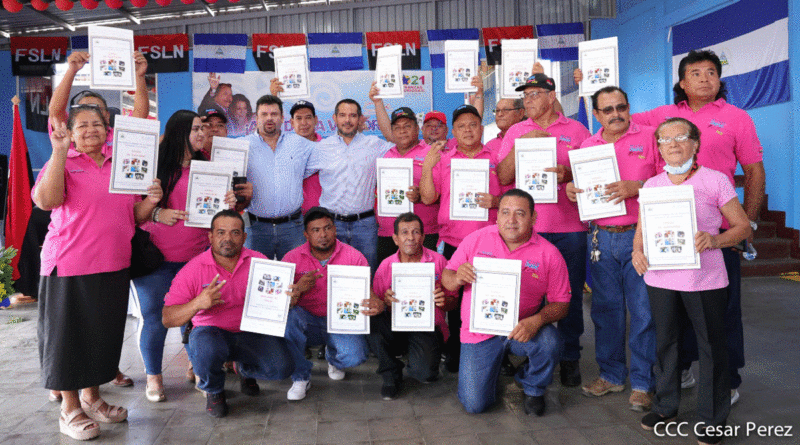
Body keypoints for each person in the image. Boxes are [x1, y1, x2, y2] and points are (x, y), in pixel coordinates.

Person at [630, 50, 765, 405]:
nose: (705, 78)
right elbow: (622, 124)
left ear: (719, 80)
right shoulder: (663, 115)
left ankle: (728, 379)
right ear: (682, 82)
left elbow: (753, 170)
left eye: (711, 72)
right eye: (696, 72)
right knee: (674, 312)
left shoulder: (737, 118)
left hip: (718, 236)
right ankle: (683, 371)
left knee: (722, 315)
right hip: (667, 236)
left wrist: (747, 225)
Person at [33, 105, 163, 440]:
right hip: (69, 265)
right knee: (67, 340)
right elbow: (47, 201)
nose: (91, 130)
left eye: (98, 124)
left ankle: (92, 399)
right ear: (71, 132)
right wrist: (60, 152)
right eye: (83, 125)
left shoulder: (120, 163)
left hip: (113, 263)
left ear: (108, 129)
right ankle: (70, 407)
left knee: (99, 337)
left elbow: (131, 215)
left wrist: (150, 201)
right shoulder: (62, 160)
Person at [634, 118, 751, 445]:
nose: (672, 144)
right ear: (658, 148)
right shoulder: (652, 186)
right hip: (660, 277)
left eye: (680, 138)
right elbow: (642, 230)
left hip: (705, 279)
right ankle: (665, 405)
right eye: (664, 140)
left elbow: (742, 227)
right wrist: (636, 252)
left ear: (695, 143)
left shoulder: (716, 181)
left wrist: (715, 241)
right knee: (666, 342)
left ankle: (713, 419)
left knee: (712, 346)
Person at [130, 110, 238, 403]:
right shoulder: (155, 167)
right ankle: (154, 375)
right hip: (157, 260)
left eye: (203, 128)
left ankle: (197, 365)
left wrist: (230, 202)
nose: (202, 133)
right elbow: (131, 212)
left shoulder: (210, 167)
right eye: (195, 128)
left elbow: (222, 216)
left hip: (198, 258)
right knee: (154, 317)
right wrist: (156, 211)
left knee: (198, 315)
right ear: (179, 132)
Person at [565, 86, 659, 411]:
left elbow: (673, 181)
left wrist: (639, 187)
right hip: (600, 237)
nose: (615, 114)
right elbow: (576, 188)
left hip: (641, 236)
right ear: (596, 115)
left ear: (629, 107)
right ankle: (612, 374)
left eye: (621, 107)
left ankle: (644, 383)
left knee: (644, 311)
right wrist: (570, 190)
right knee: (606, 309)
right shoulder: (586, 147)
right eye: (607, 109)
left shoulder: (650, 138)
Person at [495, 73, 591, 386]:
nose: (529, 100)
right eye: (526, 95)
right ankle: (522, 351)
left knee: (569, 296)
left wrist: (568, 175)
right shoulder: (516, 131)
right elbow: (504, 177)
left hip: (569, 228)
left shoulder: (576, 130)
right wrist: (517, 147)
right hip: (524, 232)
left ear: (551, 97)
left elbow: (591, 176)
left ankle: (570, 357)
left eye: (535, 94)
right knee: (523, 294)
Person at [442, 189, 570, 416]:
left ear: (533, 218)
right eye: (505, 212)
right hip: (479, 331)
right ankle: (490, 374)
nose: (511, 220)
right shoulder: (476, 239)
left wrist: (537, 320)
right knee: (474, 405)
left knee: (550, 341)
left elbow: (561, 304)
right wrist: (457, 277)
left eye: (520, 214)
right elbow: (448, 278)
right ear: (497, 215)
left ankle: (532, 386)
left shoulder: (549, 253)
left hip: (521, 328)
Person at [162, 210, 294, 418]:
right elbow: (168, 318)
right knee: (206, 348)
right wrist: (198, 303)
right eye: (221, 232)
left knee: (283, 368)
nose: (227, 239)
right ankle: (214, 391)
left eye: (235, 233)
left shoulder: (259, 261)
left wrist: (288, 298)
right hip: (211, 333)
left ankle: (244, 370)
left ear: (244, 236)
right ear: (211, 237)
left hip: (251, 331)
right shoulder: (193, 269)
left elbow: (276, 298)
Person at [419, 104, 502, 372]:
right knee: (454, 298)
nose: (468, 130)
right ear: (453, 131)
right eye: (462, 126)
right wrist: (427, 167)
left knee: (491, 295)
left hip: (491, 241)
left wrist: (496, 201)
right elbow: (429, 198)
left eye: (473, 125)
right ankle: (455, 350)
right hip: (454, 242)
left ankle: (497, 353)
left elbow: (513, 198)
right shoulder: (444, 158)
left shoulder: (496, 156)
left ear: (481, 128)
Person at [281, 207, 385, 400]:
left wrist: (378, 303)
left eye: (327, 228)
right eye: (316, 230)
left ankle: (333, 356)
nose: (323, 235)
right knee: (288, 322)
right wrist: (299, 288)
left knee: (356, 356)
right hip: (307, 320)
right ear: (306, 234)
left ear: (335, 229)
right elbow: (281, 303)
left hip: (340, 320)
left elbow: (368, 292)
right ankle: (301, 377)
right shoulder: (292, 258)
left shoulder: (354, 257)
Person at [367, 212, 457, 399]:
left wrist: (444, 302)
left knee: (425, 375)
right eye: (405, 232)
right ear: (395, 239)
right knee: (373, 321)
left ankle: (419, 355)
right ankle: (390, 374)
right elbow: (377, 304)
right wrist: (384, 301)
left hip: (427, 327)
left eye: (416, 232)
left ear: (423, 237)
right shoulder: (386, 265)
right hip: (395, 324)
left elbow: (453, 301)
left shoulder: (439, 262)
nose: (410, 237)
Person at [306, 99, 395, 271]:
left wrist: (378, 103)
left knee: (367, 274)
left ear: (360, 119)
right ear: (334, 118)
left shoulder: (374, 145)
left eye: (353, 115)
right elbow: (296, 173)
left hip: (365, 225)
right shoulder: (321, 148)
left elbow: (395, 141)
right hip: (331, 225)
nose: (347, 120)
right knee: (331, 276)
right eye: (343, 115)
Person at [367, 96, 441, 264]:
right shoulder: (386, 154)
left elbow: (438, 193)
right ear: (392, 132)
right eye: (397, 127)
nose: (402, 131)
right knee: (387, 281)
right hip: (388, 232)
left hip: (423, 232)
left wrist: (420, 195)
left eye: (407, 126)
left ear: (417, 128)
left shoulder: (432, 153)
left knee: (422, 279)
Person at [241, 95, 316, 260]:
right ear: (256, 117)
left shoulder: (299, 143)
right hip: (255, 228)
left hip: (293, 227)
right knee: (255, 277)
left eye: (274, 114)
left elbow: (330, 156)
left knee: (297, 276)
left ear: (282, 118)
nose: (269, 118)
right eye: (264, 114)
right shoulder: (242, 145)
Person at [268, 80, 324, 213]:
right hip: (292, 218)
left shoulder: (327, 146)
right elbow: (270, 127)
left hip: (322, 216)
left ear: (315, 120)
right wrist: (274, 97)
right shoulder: (283, 146)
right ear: (292, 122)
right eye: (298, 118)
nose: (304, 123)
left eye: (308, 117)